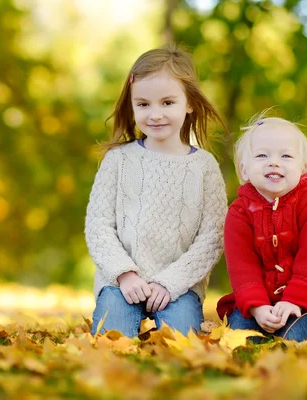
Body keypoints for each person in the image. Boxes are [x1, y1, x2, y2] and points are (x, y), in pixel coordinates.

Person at [85, 44, 228, 337]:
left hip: (178, 286)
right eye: (143, 104)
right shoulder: (118, 160)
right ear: (132, 105)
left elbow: (213, 237)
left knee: (181, 345)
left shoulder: (205, 167)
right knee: (112, 343)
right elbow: (98, 226)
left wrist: (170, 282)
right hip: (120, 282)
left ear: (189, 103)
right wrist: (124, 273)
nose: (155, 114)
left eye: (167, 103)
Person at [216, 112, 307, 342]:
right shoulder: (239, 212)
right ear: (244, 169)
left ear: (302, 167)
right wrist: (257, 307)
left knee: (293, 339)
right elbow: (242, 266)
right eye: (262, 155)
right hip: (261, 302)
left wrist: (294, 300)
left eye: (286, 156)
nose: (274, 162)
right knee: (239, 337)